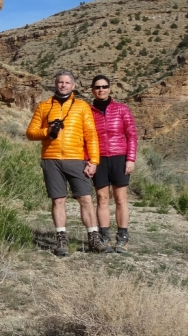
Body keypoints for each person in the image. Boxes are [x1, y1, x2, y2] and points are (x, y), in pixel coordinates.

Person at [26, 70, 108, 256]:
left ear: (73, 86)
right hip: (51, 159)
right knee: (58, 200)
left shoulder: (82, 107)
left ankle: (94, 237)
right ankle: (61, 239)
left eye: (67, 82)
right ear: (55, 84)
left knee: (85, 199)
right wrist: (47, 131)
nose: (63, 85)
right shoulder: (44, 106)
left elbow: (91, 135)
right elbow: (30, 133)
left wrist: (94, 161)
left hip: (76, 158)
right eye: (60, 82)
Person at [89, 75, 138, 254]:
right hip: (98, 159)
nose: (101, 89)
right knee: (102, 199)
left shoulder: (121, 110)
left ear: (110, 88)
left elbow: (131, 135)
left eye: (104, 86)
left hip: (119, 158)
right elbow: (85, 138)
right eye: (97, 87)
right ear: (92, 90)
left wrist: (130, 158)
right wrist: (89, 160)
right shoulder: (88, 112)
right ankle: (104, 237)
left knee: (120, 200)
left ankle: (122, 238)